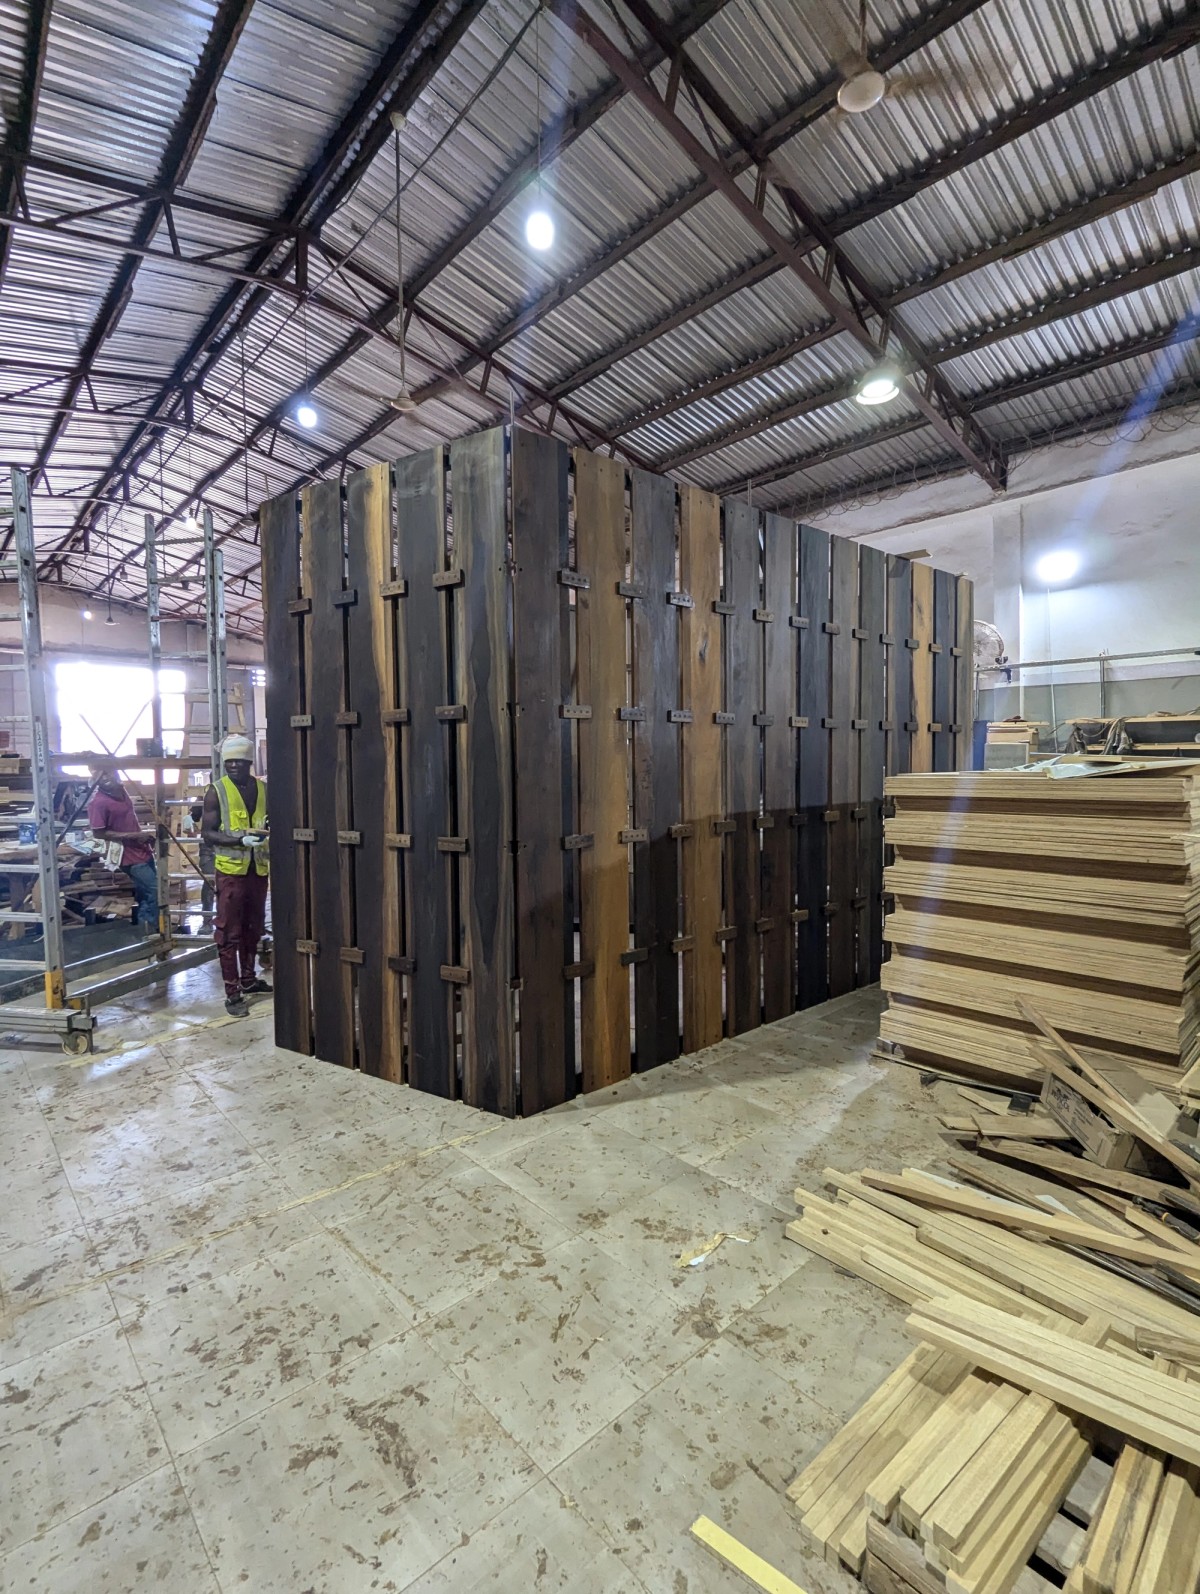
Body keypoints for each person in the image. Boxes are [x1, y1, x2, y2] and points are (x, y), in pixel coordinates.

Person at [202, 733, 272, 1017]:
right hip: (231, 872)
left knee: (253, 928)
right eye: (229, 762)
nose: (233, 767)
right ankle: (233, 993)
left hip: (259, 869)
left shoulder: (263, 790)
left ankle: (248, 978)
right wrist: (238, 840)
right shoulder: (215, 791)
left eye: (239, 763)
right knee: (229, 933)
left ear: (248, 763)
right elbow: (207, 834)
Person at [87, 765, 159, 929]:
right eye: (100, 776)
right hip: (127, 854)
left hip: (142, 849)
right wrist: (134, 836)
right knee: (155, 889)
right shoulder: (98, 803)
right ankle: (147, 930)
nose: (105, 778)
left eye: (108, 772)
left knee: (145, 891)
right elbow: (98, 833)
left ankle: (146, 926)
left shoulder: (121, 790)